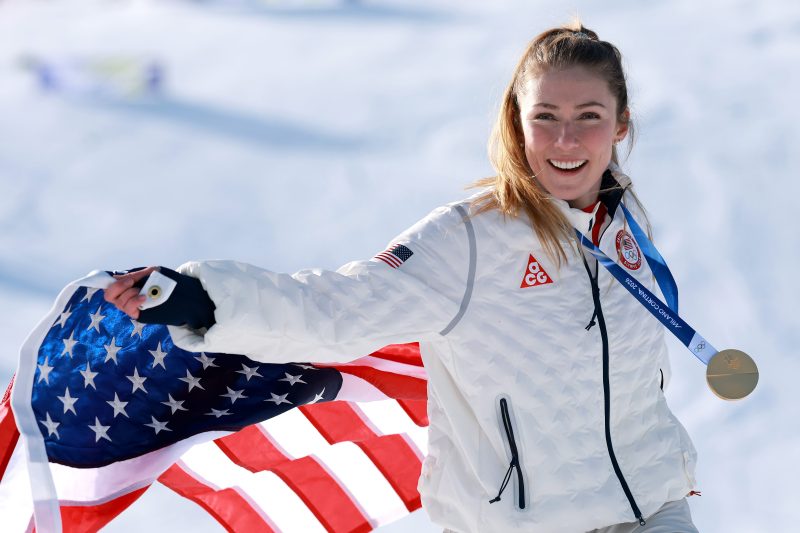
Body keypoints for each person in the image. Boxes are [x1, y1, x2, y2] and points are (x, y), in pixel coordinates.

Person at [105, 22, 700, 533]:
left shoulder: (625, 224)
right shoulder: (469, 240)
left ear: (620, 125)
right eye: (545, 117)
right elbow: (339, 307)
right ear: (517, 125)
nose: (566, 140)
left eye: (589, 116)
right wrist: (203, 300)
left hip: (652, 506)